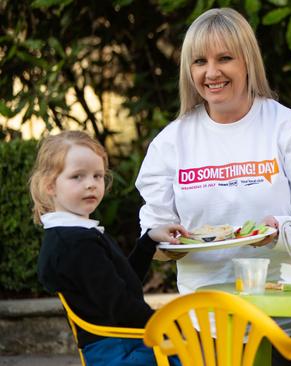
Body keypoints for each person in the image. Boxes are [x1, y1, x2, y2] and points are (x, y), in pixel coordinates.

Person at [134, 7, 291, 365]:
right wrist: (167, 239)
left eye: (224, 58)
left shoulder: (289, 128)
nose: (211, 72)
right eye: (199, 61)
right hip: (205, 322)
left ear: (247, 62)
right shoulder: (170, 143)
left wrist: (281, 229)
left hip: (286, 318)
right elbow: (156, 234)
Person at [30, 131, 187, 366]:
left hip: (120, 342)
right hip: (119, 350)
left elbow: (124, 283)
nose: (91, 184)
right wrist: (169, 327)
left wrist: (148, 241)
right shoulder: (76, 245)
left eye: (97, 176)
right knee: (206, 352)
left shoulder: (73, 235)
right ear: (50, 185)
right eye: (77, 177)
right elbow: (120, 307)